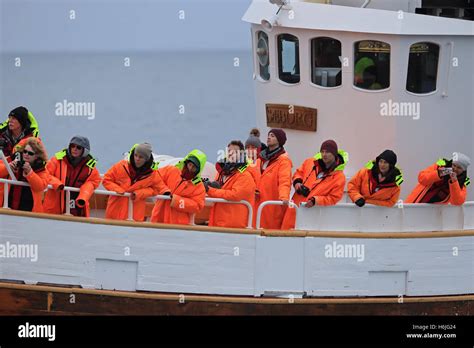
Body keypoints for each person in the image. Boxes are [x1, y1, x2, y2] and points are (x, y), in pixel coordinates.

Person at [281, 139, 348, 230]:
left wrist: (316, 200)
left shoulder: (339, 177)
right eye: (322, 151)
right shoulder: (310, 162)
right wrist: (297, 182)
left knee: (305, 239)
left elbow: (334, 198)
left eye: (328, 152)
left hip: (313, 213)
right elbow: (298, 173)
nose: (324, 155)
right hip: (295, 205)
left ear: (334, 154)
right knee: (285, 233)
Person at [102, 143, 168, 221]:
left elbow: (158, 189)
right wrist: (118, 189)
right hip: (114, 212)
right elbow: (106, 179)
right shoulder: (120, 166)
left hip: (135, 216)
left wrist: (140, 193)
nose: (137, 158)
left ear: (146, 159)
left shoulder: (152, 175)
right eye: (135, 155)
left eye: (141, 157)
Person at [43, 136, 101, 217]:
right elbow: (45, 173)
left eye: (79, 147)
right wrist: (57, 184)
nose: (75, 149)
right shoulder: (57, 160)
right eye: (72, 146)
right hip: (55, 208)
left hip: (78, 208)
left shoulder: (90, 167)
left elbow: (94, 181)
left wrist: (84, 194)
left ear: (85, 151)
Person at [205, 141, 256, 228]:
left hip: (234, 225)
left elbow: (235, 195)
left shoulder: (245, 175)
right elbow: (219, 191)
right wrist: (210, 186)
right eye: (229, 151)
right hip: (219, 221)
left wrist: (209, 190)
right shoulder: (222, 173)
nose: (231, 154)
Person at [150, 149, 207, 225]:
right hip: (159, 217)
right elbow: (155, 178)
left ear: (198, 170)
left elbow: (197, 206)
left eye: (194, 167)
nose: (190, 168)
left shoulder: (199, 187)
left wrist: (176, 201)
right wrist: (164, 190)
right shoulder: (171, 170)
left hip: (178, 224)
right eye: (190, 164)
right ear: (186, 162)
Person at [255, 129, 292, 229]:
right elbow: (252, 174)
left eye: (272, 136)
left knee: (269, 231)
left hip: (271, 203)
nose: (268, 137)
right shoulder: (260, 158)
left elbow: (285, 181)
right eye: (268, 135)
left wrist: (284, 197)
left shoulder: (284, 161)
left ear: (279, 140)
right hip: (257, 202)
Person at [0, 138, 50, 212]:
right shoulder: (14, 158)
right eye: (25, 151)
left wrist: (30, 173)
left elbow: (41, 186)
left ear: (37, 156)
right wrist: (8, 167)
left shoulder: (40, 168)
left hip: (28, 212)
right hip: (7, 207)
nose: (26, 154)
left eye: (30, 153)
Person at [405, 152, 470, 205]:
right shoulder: (440, 166)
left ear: (463, 170)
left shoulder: (462, 181)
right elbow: (421, 178)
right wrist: (439, 173)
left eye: (459, 168)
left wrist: (454, 182)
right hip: (414, 203)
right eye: (454, 165)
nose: (455, 169)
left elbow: (457, 202)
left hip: (434, 213)